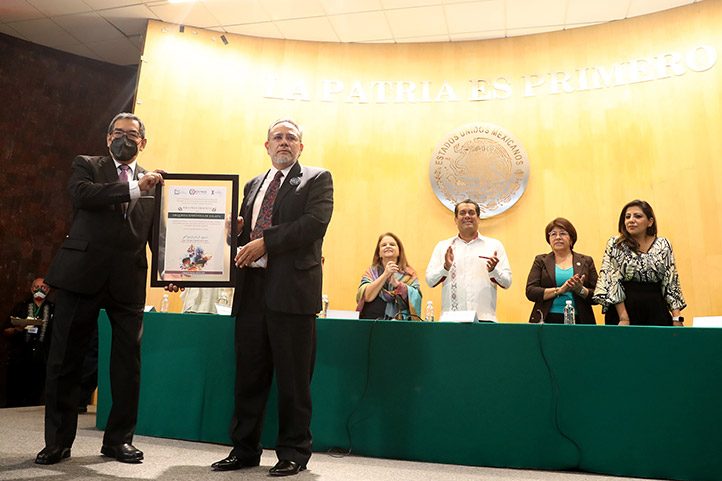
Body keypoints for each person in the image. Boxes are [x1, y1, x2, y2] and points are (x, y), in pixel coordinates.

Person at [35, 113, 164, 465]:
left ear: (143, 142)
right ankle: (58, 442)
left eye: (133, 134)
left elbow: (159, 233)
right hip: (82, 274)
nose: (126, 138)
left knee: (127, 364)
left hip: (129, 279)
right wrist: (137, 187)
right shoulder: (86, 165)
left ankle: (119, 441)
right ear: (108, 139)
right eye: (119, 133)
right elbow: (83, 197)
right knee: (66, 360)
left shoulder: (156, 181)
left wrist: (171, 270)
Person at [211, 118, 333, 476]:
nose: (283, 142)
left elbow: (314, 223)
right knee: (248, 376)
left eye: (290, 138)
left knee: (294, 380)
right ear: (266, 146)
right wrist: (236, 232)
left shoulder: (317, 178)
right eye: (277, 138)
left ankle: (293, 452)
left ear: (301, 146)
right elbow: (245, 238)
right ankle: (244, 449)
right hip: (251, 292)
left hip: (293, 294)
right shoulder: (251, 185)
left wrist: (266, 240)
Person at [593, 200, 685, 326]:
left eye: (638, 216)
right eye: (627, 217)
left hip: (656, 309)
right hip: (623, 310)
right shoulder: (616, 244)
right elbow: (611, 280)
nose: (631, 220)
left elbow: (671, 281)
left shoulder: (663, 244)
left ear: (650, 222)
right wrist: (624, 317)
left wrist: (676, 317)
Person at [425, 199, 512, 322]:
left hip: (484, 319)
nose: (467, 216)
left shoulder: (494, 245)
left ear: (479, 219)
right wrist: (445, 267)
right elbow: (430, 281)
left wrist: (494, 271)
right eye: (462, 213)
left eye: (471, 213)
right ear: (455, 219)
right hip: (451, 320)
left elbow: (507, 282)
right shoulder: (443, 246)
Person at [525, 218, 598, 324]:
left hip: (580, 319)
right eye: (553, 234)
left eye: (563, 233)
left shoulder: (586, 261)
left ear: (571, 239)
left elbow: (597, 296)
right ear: (549, 240)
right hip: (546, 318)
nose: (558, 237)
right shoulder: (541, 260)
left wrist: (581, 290)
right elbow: (531, 291)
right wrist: (559, 291)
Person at [3, 278, 53, 407]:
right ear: (31, 289)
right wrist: (17, 329)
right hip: (20, 358)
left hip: (41, 359)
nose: (39, 290)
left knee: (35, 397)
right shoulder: (21, 307)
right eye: (36, 287)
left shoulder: (53, 309)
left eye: (43, 288)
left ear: (48, 291)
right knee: (15, 395)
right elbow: (5, 331)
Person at [356, 232, 422, 320]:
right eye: (384, 245)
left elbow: (416, 299)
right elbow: (365, 297)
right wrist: (385, 275)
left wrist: (397, 285)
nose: (388, 246)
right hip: (371, 322)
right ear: (379, 253)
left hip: (398, 324)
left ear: (399, 251)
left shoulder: (409, 274)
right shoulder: (371, 272)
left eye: (392, 244)